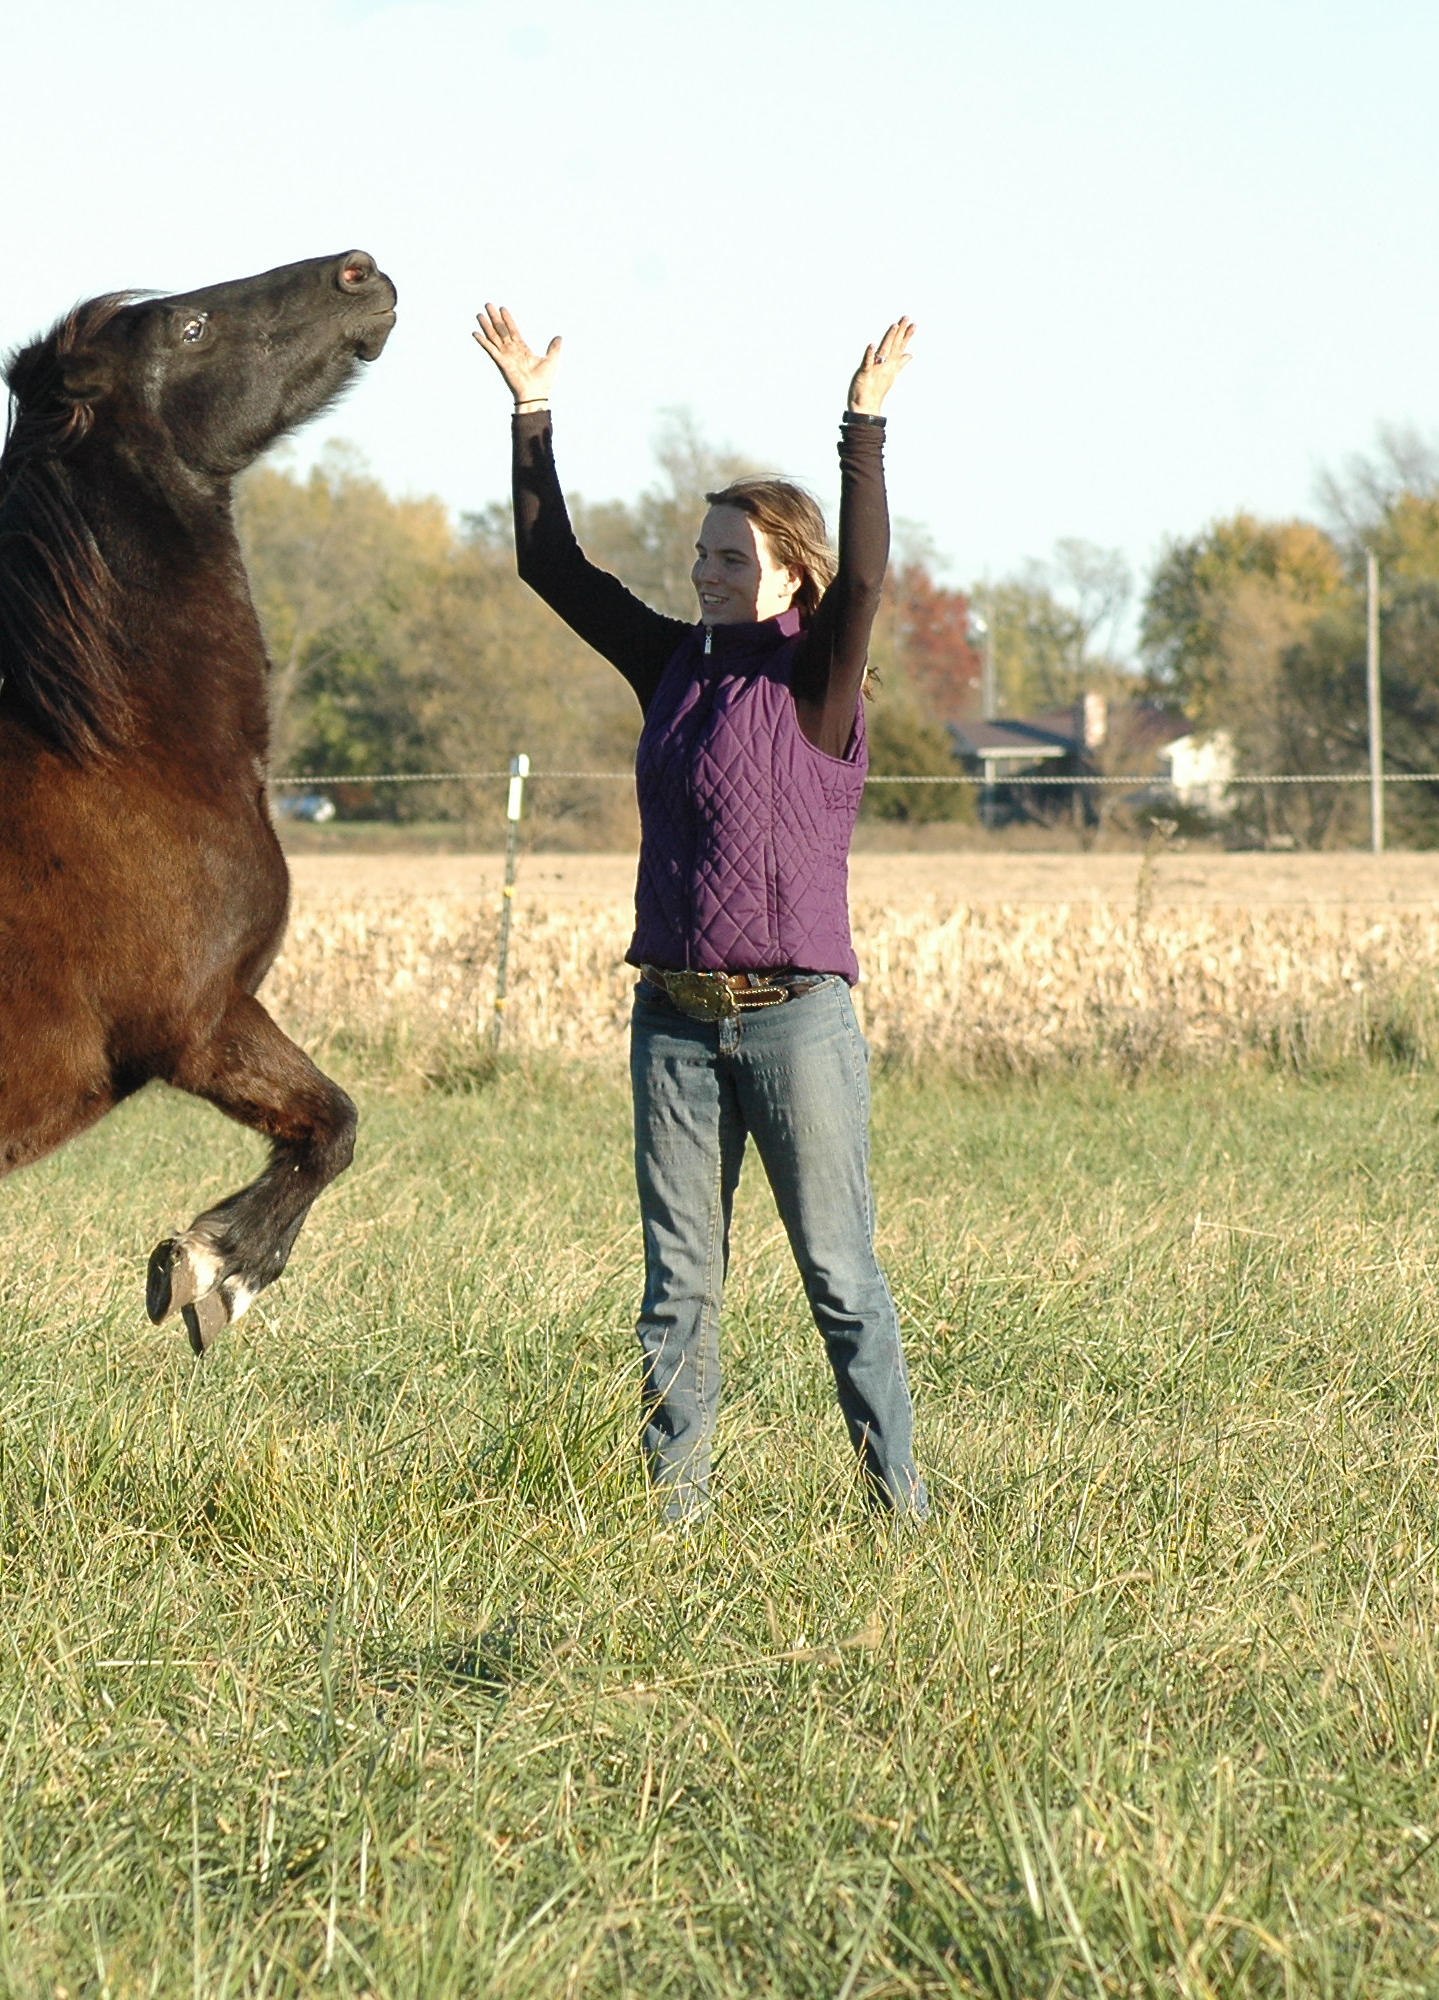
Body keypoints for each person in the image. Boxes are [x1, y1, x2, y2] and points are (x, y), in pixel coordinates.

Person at [471, 302, 927, 1523]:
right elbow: (547, 565)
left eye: (730, 557)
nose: (704, 572)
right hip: (669, 1021)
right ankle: (674, 1525)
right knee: (678, 1287)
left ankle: (902, 1512)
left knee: (837, 1276)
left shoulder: (817, 678)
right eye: (699, 555)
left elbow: (872, 570)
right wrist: (529, 410)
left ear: (788, 570)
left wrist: (863, 427)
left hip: (795, 1022)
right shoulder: (671, 662)